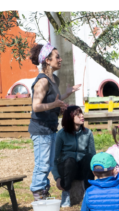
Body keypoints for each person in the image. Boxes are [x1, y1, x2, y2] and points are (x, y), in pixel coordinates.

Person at [28, 42, 81, 201]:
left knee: (50, 164)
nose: (61, 59)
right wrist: (55, 105)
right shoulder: (42, 81)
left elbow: (53, 101)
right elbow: (36, 106)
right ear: (47, 61)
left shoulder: (54, 80)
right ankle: (38, 192)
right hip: (40, 129)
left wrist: (65, 96)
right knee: (42, 165)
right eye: (57, 57)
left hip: (50, 128)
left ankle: (44, 192)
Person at [52, 106, 96, 207]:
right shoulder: (61, 134)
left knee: (89, 157)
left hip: (82, 169)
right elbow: (54, 159)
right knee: (69, 161)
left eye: (81, 113)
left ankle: (88, 193)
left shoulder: (88, 133)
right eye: (77, 114)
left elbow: (93, 155)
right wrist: (57, 178)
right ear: (70, 117)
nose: (82, 116)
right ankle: (66, 193)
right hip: (67, 169)